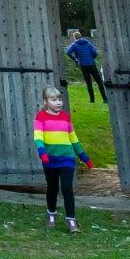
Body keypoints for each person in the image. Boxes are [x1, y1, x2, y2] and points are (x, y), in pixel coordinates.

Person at [32, 85, 93, 230]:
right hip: (50, 160)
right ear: (46, 101)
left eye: (59, 99)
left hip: (67, 157)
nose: (58, 103)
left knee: (67, 188)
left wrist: (84, 157)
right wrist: (43, 153)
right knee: (52, 188)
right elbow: (38, 137)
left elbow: (73, 138)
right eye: (53, 100)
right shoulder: (41, 117)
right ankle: (51, 213)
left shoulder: (66, 117)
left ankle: (71, 220)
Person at [66, 30, 103, 101]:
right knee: (99, 81)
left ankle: (92, 99)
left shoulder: (74, 45)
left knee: (89, 83)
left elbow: (68, 52)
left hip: (83, 65)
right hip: (92, 64)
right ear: (81, 36)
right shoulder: (88, 43)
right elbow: (95, 53)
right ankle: (104, 98)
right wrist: (92, 58)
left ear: (75, 38)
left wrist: (75, 59)